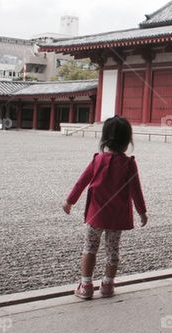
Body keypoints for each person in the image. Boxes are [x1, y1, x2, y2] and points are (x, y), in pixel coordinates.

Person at [62, 116, 148, 299]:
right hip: (117, 217)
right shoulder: (129, 164)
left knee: (90, 248)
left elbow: (81, 182)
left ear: (104, 140)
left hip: (96, 215)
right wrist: (142, 212)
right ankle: (108, 285)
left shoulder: (97, 160)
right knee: (112, 251)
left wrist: (69, 201)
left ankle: (85, 286)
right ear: (127, 142)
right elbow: (136, 191)